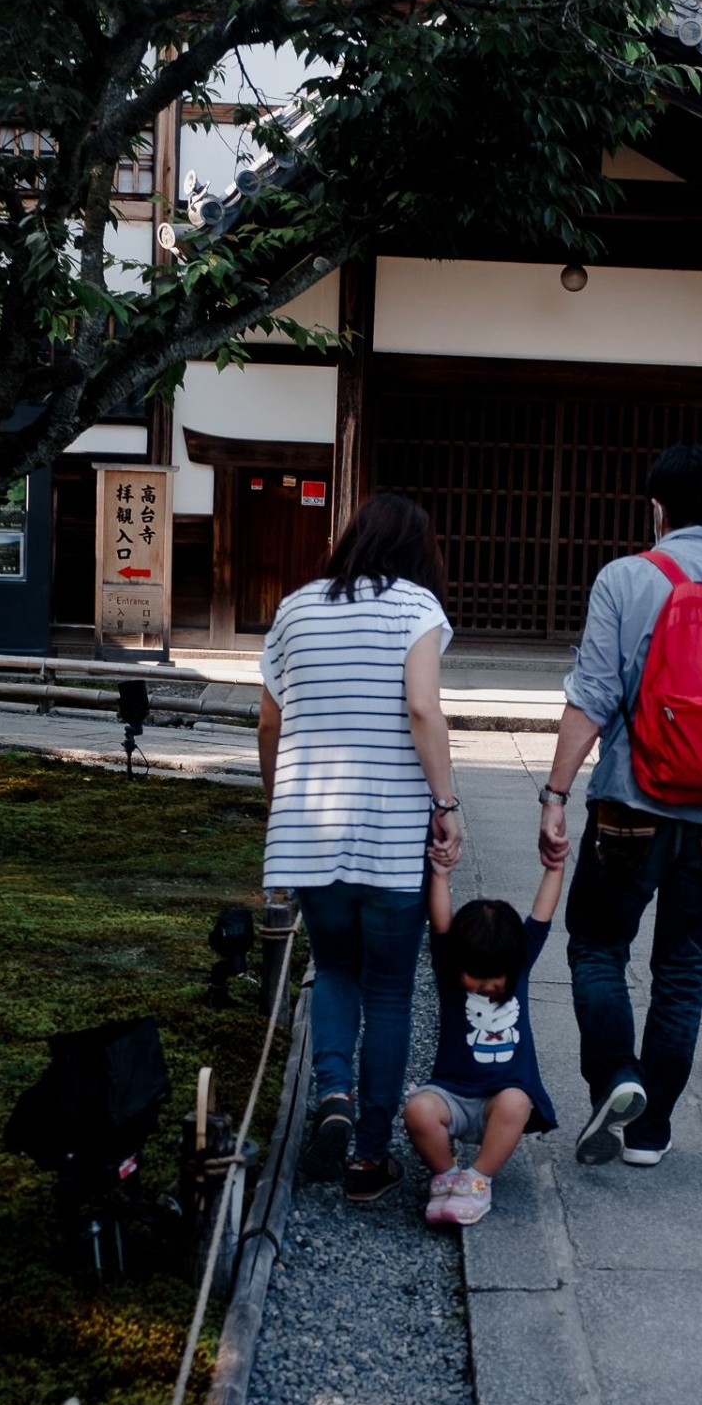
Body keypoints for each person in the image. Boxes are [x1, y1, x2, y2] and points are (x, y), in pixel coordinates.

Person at [536, 443, 702, 1167]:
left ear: (655, 510)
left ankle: (617, 1079)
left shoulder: (626, 579)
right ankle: (651, 1132)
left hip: (629, 808)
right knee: (684, 973)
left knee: (596, 947)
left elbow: (591, 695)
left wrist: (555, 793)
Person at [257, 493, 462, 1204]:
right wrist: (445, 804)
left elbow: (269, 722)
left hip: (309, 830)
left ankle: (333, 1092)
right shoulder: (417, 610)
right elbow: (422, 709)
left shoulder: (295, 609)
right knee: (390, 989)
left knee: (336, 971)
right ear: (418, 550)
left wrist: (275, 804)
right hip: (389, 834)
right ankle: (370, 1157)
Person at [404, 857, 563, 1227]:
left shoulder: (519, 966)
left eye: (495, 980)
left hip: (501, 1099)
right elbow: (442, 928)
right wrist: (441, 874)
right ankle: (446, 1177)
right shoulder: (449, 973)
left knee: (516, 1100)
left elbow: (540, 918)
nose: (486, 986)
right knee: (417, 1110)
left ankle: (478, 1179)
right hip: (452, 1096)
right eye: (476, 977)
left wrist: (555, 867)